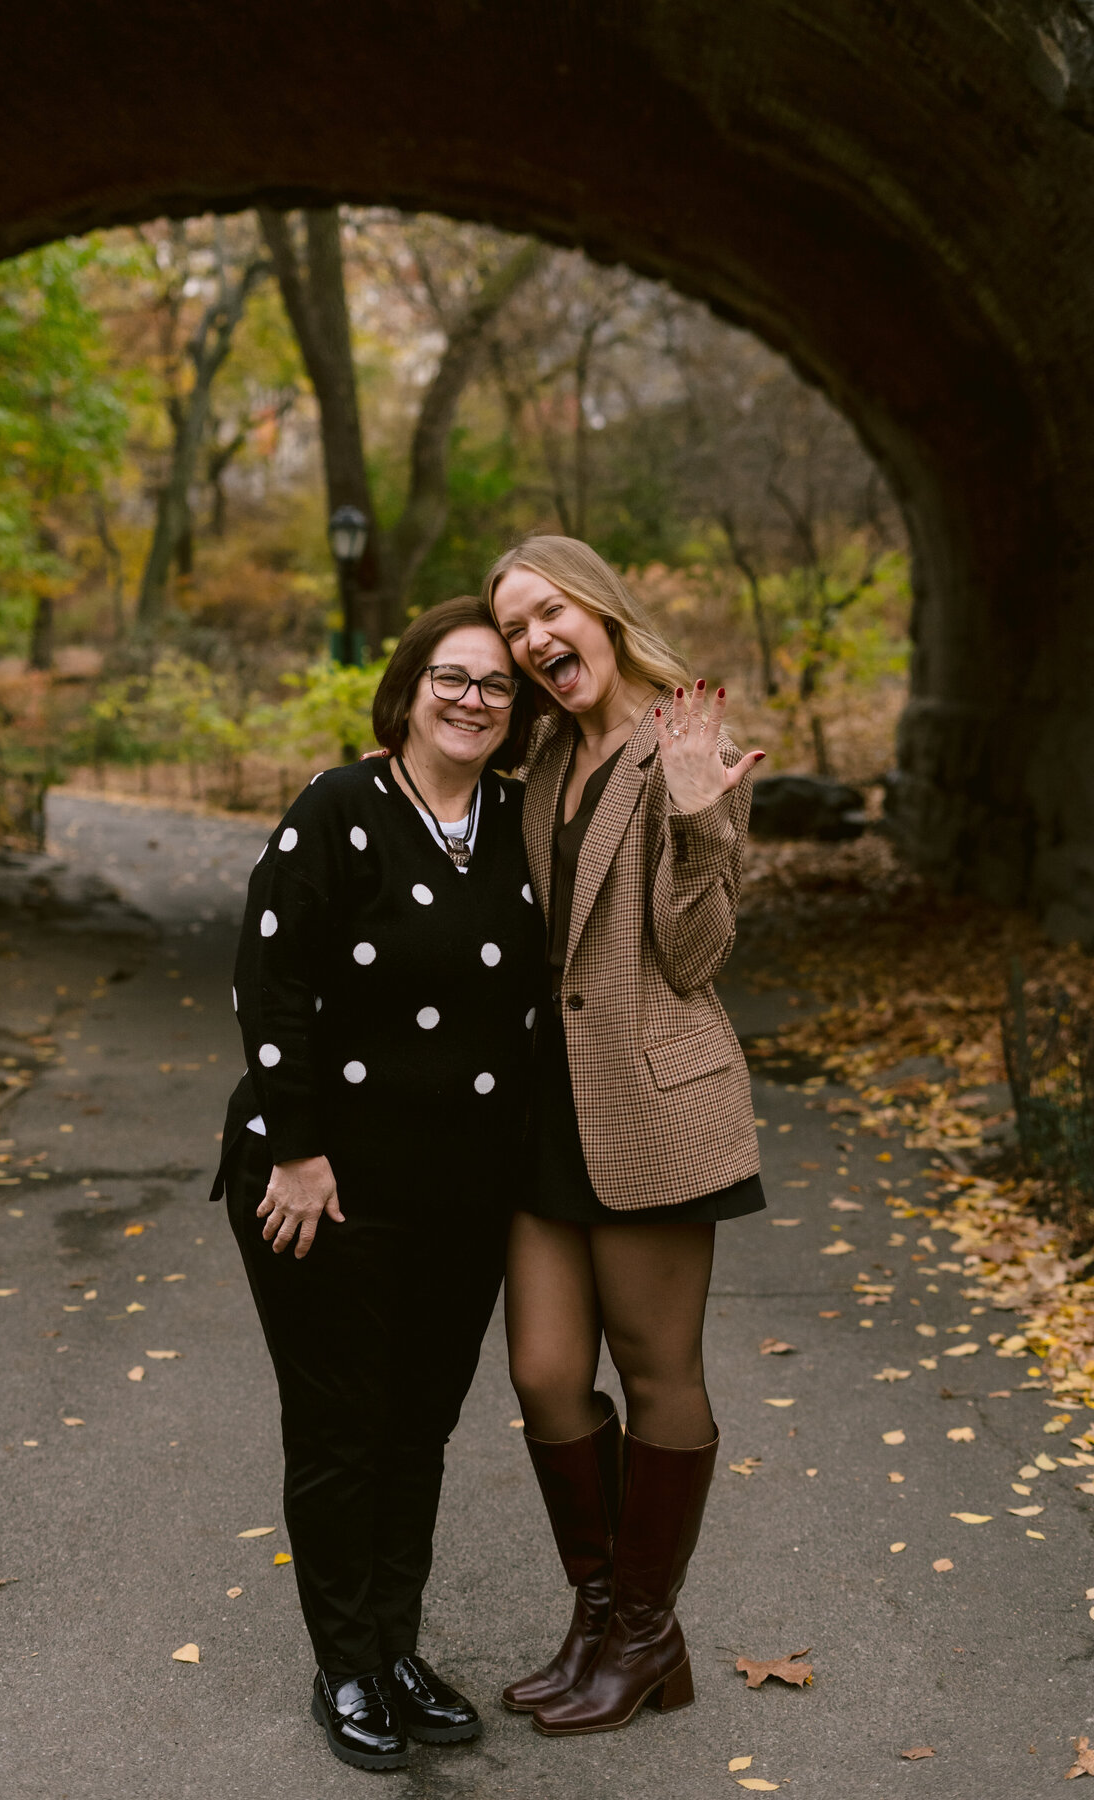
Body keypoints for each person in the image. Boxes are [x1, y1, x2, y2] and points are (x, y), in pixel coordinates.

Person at [210, 597, 544, 1772]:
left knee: (418, 1429)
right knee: (342, 1427)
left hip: (464, 1189)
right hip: (324, 1184)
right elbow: (268, 982)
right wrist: (297, 1152)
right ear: (406, 690)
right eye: (451, 677)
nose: (472, 700)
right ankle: (344, 1664)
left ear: (515, 711)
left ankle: (396, 1649)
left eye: (496, 684)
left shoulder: (520, 823)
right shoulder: (338, 810)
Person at [482, 535, 767, 1738]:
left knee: (658, 1375)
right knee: (545, 1373)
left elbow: (695, 959)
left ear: (599, 608)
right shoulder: (549, 751)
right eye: (515, 628)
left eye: (550, 611)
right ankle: (601, 1618)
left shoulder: (686, 743)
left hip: (651, 1101)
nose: (535, 639)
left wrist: (703, 823)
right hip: (548, 1103)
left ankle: (643, 1632)